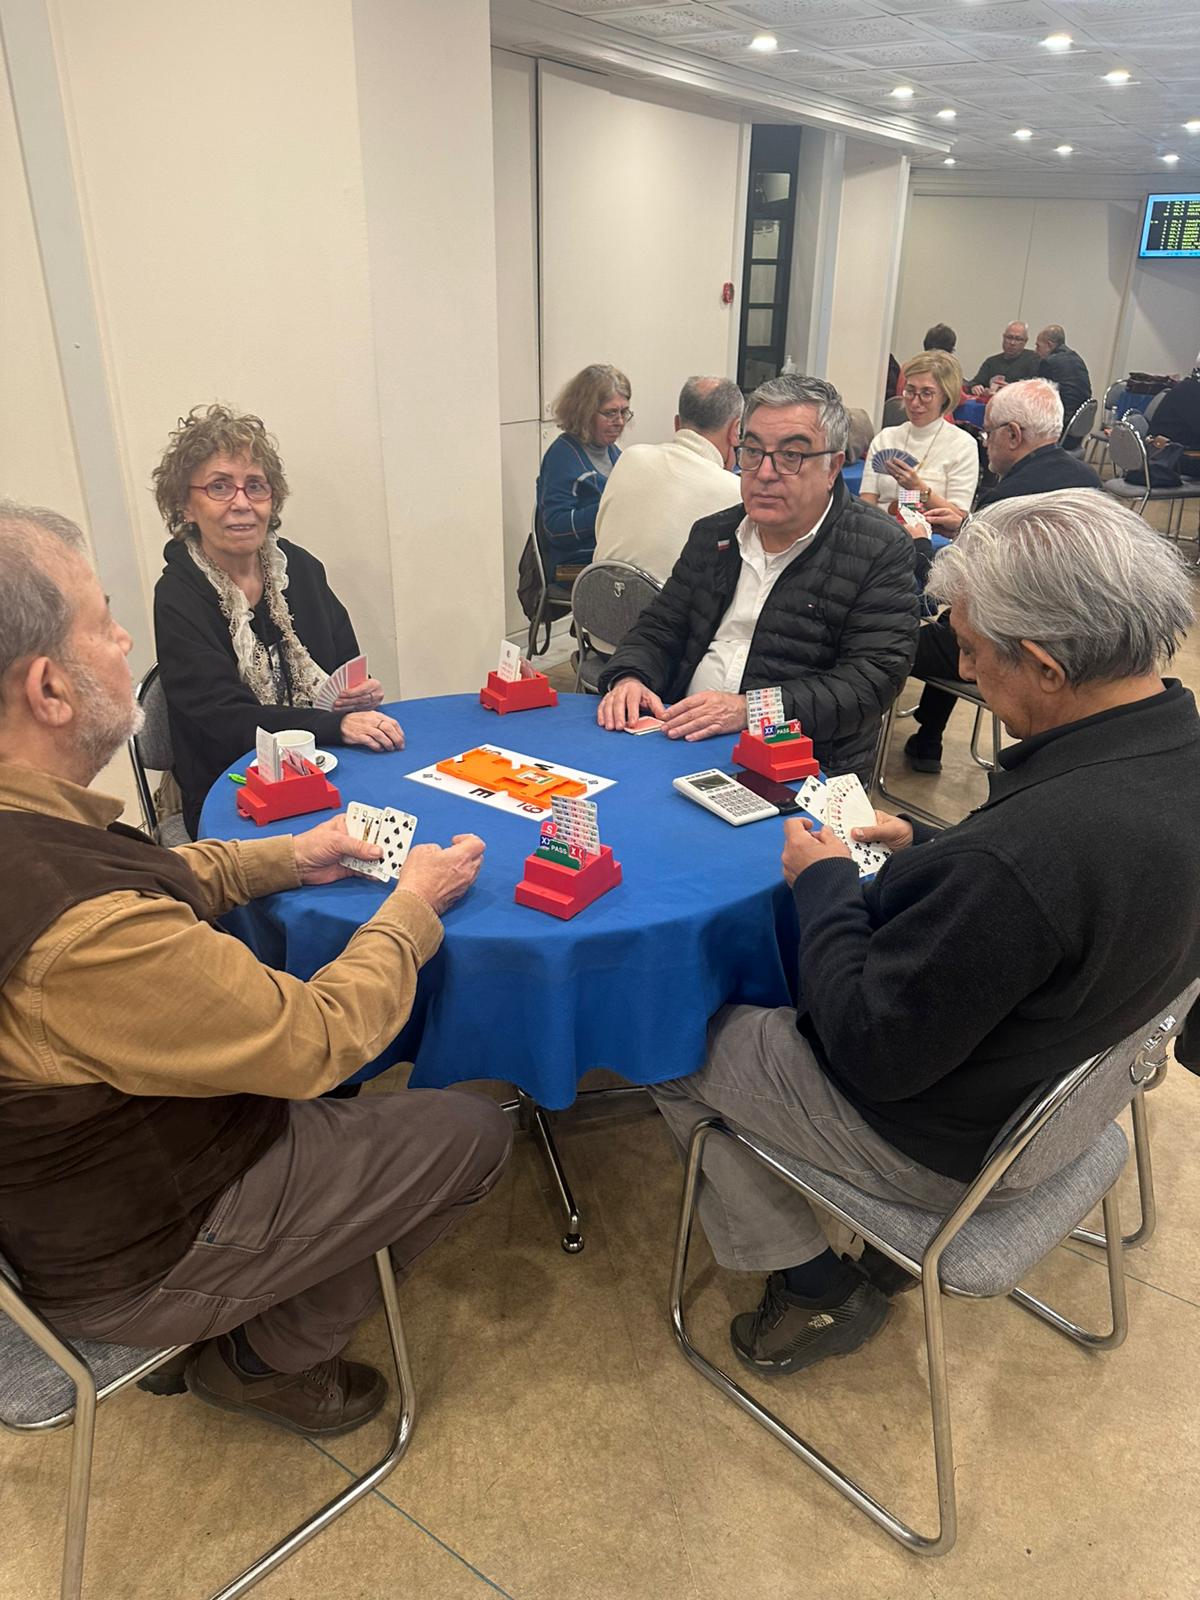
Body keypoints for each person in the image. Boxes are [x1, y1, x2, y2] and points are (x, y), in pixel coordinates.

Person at [649, 489, 1200, 1375]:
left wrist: (824, 883)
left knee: (670, 1036)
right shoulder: (1172, 753)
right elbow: (1058, 893)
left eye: (973, 651)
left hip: (954, 1145)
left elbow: (871, 1048)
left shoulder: (1029, 855)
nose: (965, 670)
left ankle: (813, 1285)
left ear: (1045, 666)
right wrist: (935, 846)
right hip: (1068, 1100)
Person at [0, 500, 511, 1435]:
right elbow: (316, 1040)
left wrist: (287, 856)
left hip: (85, 1178)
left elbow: (142, 877)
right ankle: (263, 1358)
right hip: (138, 1242)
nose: (125, 641)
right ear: (50, 690)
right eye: (104, 623)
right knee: (473, 1131)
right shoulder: (82, 935)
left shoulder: (32, 829)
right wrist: (413, 905)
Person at [594, 374, 918, 783]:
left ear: (832, 467)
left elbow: (870, 682)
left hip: (799, 763)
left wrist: (751, 710)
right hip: (682, 740)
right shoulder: (714, 534)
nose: (765, 472)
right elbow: (661, 625)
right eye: (752, 451)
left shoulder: (879, 548)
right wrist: (631, 676)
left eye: (791, 455)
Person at [152, 405, 403, 840]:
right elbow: (225, 720)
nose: (241, 504)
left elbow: (344, 664)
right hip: (231, 785)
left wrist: (356, 696)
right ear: (185, 506)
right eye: (219, 487)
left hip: (323, 764)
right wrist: (336, 726)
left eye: (255, 486)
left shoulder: (300, 569)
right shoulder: (178, 595)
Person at [904, 380, 1104, 770]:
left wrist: (919, 543)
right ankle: (928, 738)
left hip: (1014, 650)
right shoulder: (1088, 480)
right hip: (1076, 644)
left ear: (1012, 434)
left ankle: (868, 753)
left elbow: (948, 590)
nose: (985, 443)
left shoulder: (1007, 499)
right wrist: (969, 527)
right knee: (955, 626)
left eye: (988, 433)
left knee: (885, 639)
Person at [592, 375, 742, 588]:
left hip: (597, 602)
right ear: (735, 430)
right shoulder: (735, 493)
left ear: (677, 423)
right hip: (669, 608)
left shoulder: (630, 457)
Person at [859, 351, 980, 522]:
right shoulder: (885, 438)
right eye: (910, 391)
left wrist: (918, 488)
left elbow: (958, 517)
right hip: (881, 529)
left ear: (945, 396)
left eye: (926, 394)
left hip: (932, 533)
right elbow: (868, 500)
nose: (915, 402)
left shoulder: (963, 445)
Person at [536, 363, 632, 567]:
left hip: (608, 558)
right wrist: (608, 510)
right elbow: (555, 528)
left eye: (624, 412)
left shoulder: (612, 452)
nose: (620, 422)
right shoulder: (562, 457)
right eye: (610, 413)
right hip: (577, 566)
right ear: (584, 412)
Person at [1035, 325, 1091, 423]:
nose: (1036, 351)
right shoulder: (1076, 358)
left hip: (1061, 419)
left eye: (1038, 346)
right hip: (1081, 421)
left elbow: (1039, 394)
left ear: (1049, 345)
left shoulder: (1049, 362)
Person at [967, 321, 1040, 396]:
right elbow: (974, 383)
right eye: (1009, 337)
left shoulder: (1034, 359)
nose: (1012, 343)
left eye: (1018, 339)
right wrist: (975, 387)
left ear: (1025, 341)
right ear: (1003, 337)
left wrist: (1010, 389)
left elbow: (1036, 389)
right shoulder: (991, 362)